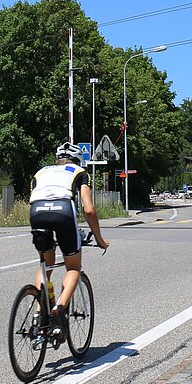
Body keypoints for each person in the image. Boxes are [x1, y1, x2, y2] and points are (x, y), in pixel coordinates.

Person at [29, 142, 109, 335]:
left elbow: (33, 198)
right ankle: (59, 309)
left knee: (45, 265)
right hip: (63, 212)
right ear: (78, 159)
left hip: (36, 212)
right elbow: (88, 209)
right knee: (73, 267)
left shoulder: (40, 173)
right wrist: (99, 239)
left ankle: (38, 315)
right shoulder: (80, 172)